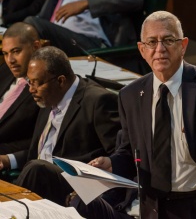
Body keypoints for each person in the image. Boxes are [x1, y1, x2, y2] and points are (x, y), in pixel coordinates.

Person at [72, 11, 196, 218]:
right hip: (153, 207)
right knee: (78, 205)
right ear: (142, 49)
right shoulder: (131, 95)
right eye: (152, 42)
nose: (160, 49)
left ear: (183, 45)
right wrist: (111, 163)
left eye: (168, 40)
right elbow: (129, 151)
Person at [0, 46, 121, 206]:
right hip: (36, 180)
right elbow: (39, 152)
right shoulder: (48, 97)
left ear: (61, 81)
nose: (31, 89)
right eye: (29, 81)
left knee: (38, 169)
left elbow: (119, 157)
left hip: (74, 188)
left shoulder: (98, 101)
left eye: (36, 83)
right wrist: (8, 160)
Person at [24, 0, 143, 56]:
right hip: (57, 37)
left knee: (31, 25)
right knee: (22, 30)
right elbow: (44, 16)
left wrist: (87, 3)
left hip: (92, 43)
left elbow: (135, 1)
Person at [0, 22, 41, 155]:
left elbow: (39, 140)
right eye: (5, 53)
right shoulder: (5, 71)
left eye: (16, 51)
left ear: (35, 47)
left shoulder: (47, 87)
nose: (10, 60)